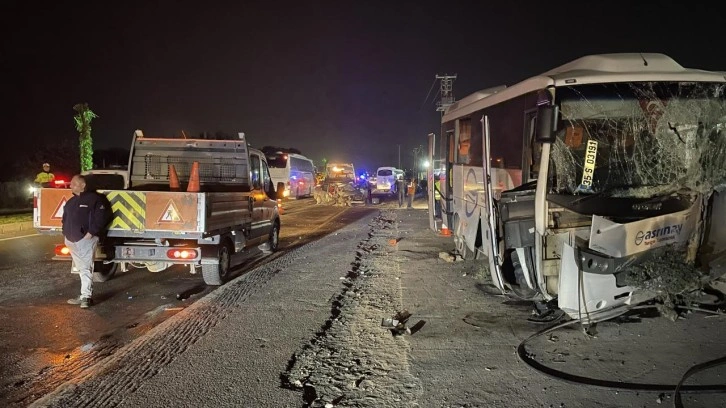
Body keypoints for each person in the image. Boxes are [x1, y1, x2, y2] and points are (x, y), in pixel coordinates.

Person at [62, 175, 111, 308]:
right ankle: (84, 295)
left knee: (85, 268)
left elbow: (102, 217)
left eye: (74, 183)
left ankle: (86, 297)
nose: (71, 185)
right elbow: (65, 218)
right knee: (81, 268)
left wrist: (91, 233)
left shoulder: (95, 199)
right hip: (71, 241)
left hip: (86, 240)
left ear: (83, 185)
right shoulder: (71, 201)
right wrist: (65, 234)